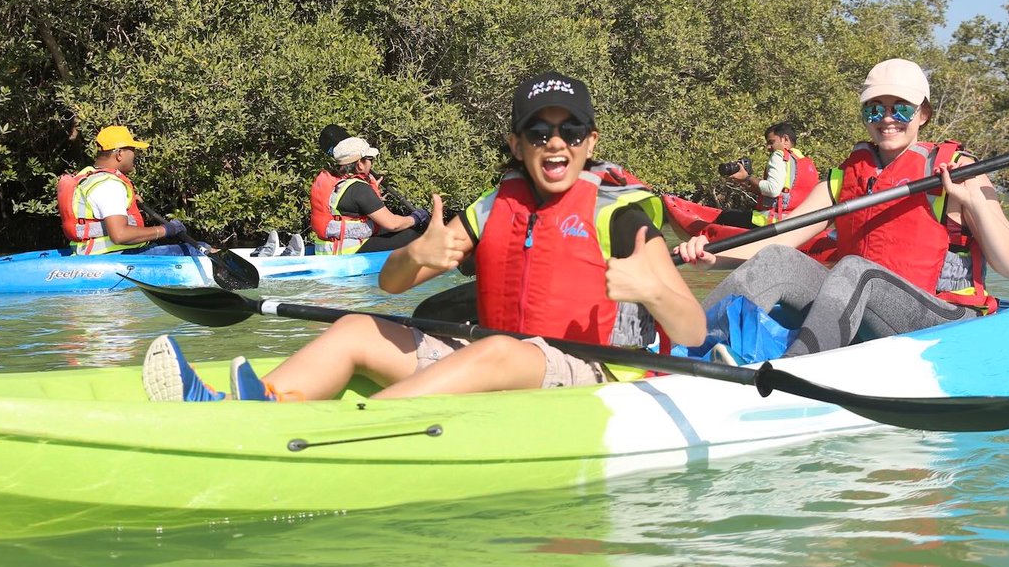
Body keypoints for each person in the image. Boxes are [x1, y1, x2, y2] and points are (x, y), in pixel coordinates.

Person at [144, 71, 708, 402]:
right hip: (494, 355)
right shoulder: (492, 210)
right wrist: (416, 253)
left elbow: (692, 325)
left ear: (589, 142)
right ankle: (258, 406)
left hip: (589, 370)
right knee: (358, 327)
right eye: (539, 131)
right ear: (517, 144)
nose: (554, 142)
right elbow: (391, 286)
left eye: (570, 130)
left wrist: (654, 291)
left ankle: (349, 433)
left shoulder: (621, 216)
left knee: (496, 351)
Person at [677, 58, 1009, 358]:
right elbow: (779, 240)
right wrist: (714, 257)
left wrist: (973, 202)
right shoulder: (845, 176)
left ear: (923, 114)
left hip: (943, 316)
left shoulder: (960, 171)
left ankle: (795, 368)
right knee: (777, 261)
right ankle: (686, 349)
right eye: (875, 108)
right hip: (859, 306)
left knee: (856, 271)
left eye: (900, 108)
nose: (887, 118)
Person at [57, 125, 199, 256]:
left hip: (90, 254)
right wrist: (167, 229)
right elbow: (120, 235)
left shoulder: (89, 176)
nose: (134, 155)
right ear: (119, 154)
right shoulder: (109, 185)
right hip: (114, 258)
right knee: (197, 251)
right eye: (132, 150)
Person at [309, 134, 430, 254]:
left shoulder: (334, 181)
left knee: (383, 230)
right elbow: (393, 224)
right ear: (360, 164)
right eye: (370, 159)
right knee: (409, 235)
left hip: (327, 250)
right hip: (347, 253)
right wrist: (416, 218)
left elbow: (350, 205)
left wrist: (372, 192)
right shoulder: (359, 189)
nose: (371, 163)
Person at [710, 122, 821, 231]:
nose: (768, 147)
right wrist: (751, 187)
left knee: (726, 215)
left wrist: (747, 178)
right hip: (798, 223)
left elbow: (773, 190)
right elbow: (786, 195)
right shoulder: (806, 162)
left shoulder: (779, 155)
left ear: (785, 140)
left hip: (774, 224)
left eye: (771, 142)